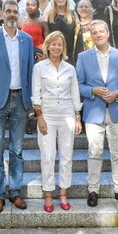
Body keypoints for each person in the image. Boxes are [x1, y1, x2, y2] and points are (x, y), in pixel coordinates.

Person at [0, 0, 35, 214]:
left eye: (15, 12)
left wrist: (30, 100)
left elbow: (30, 71)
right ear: (2, 14)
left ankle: (15, 192)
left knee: (17, 150)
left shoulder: (27, 40)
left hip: (20, 100)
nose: (12, 15)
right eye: (8, 11)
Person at [76, 20, 118, 208]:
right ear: (91, 36)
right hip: (93, 112)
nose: (98, 34)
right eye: (95, 32)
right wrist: (93, 91)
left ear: (108, 33)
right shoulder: (83, 57)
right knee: (94, 152)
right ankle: (93, 189)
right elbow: (78, 84)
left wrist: (117, 94)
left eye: (101, 31)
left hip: (115, 110)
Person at [29, 31, 82, 212]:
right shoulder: (39, 67)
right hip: (47, 114)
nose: (57, 47)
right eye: (54, 44)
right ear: (48, 46)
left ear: (63, 47)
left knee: (66, 156)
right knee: (48, 155)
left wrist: (77, 118)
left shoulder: (70, 69)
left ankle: (63, 192)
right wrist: (40, 117)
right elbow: (36, 94)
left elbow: (75, 94)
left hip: (67, 113)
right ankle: (49, 193)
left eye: (60, 44)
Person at [46, 0, 78, 64]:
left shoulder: (73, 14)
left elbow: (77, 34)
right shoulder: (50, 15)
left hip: (69, 56)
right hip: (53, 55)